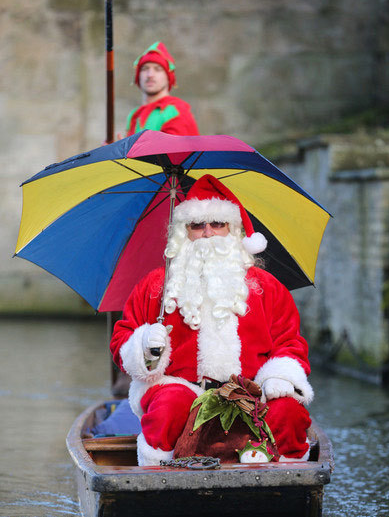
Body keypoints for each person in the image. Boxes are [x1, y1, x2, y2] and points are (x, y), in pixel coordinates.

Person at [110, 174, 314, 466]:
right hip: (181, 387)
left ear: (233, 230)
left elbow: (289, 342)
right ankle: (156, 475)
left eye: (218, 224)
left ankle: (290, 478)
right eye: (197, 225)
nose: (207, 233)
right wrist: (144, 347)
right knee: (168, 406)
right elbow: (122, 338)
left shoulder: (267, 287)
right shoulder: (156, 285)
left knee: (289, 413)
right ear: (184, 232)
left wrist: (278, 377)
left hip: (253, 392)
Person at [124, 41, 199, 137]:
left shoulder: (177, 111)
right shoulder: (133, 116)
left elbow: (177, 151)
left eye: (158, 69)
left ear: (168, 77)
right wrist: (116, 149)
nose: (150, 75)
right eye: (145, 68)